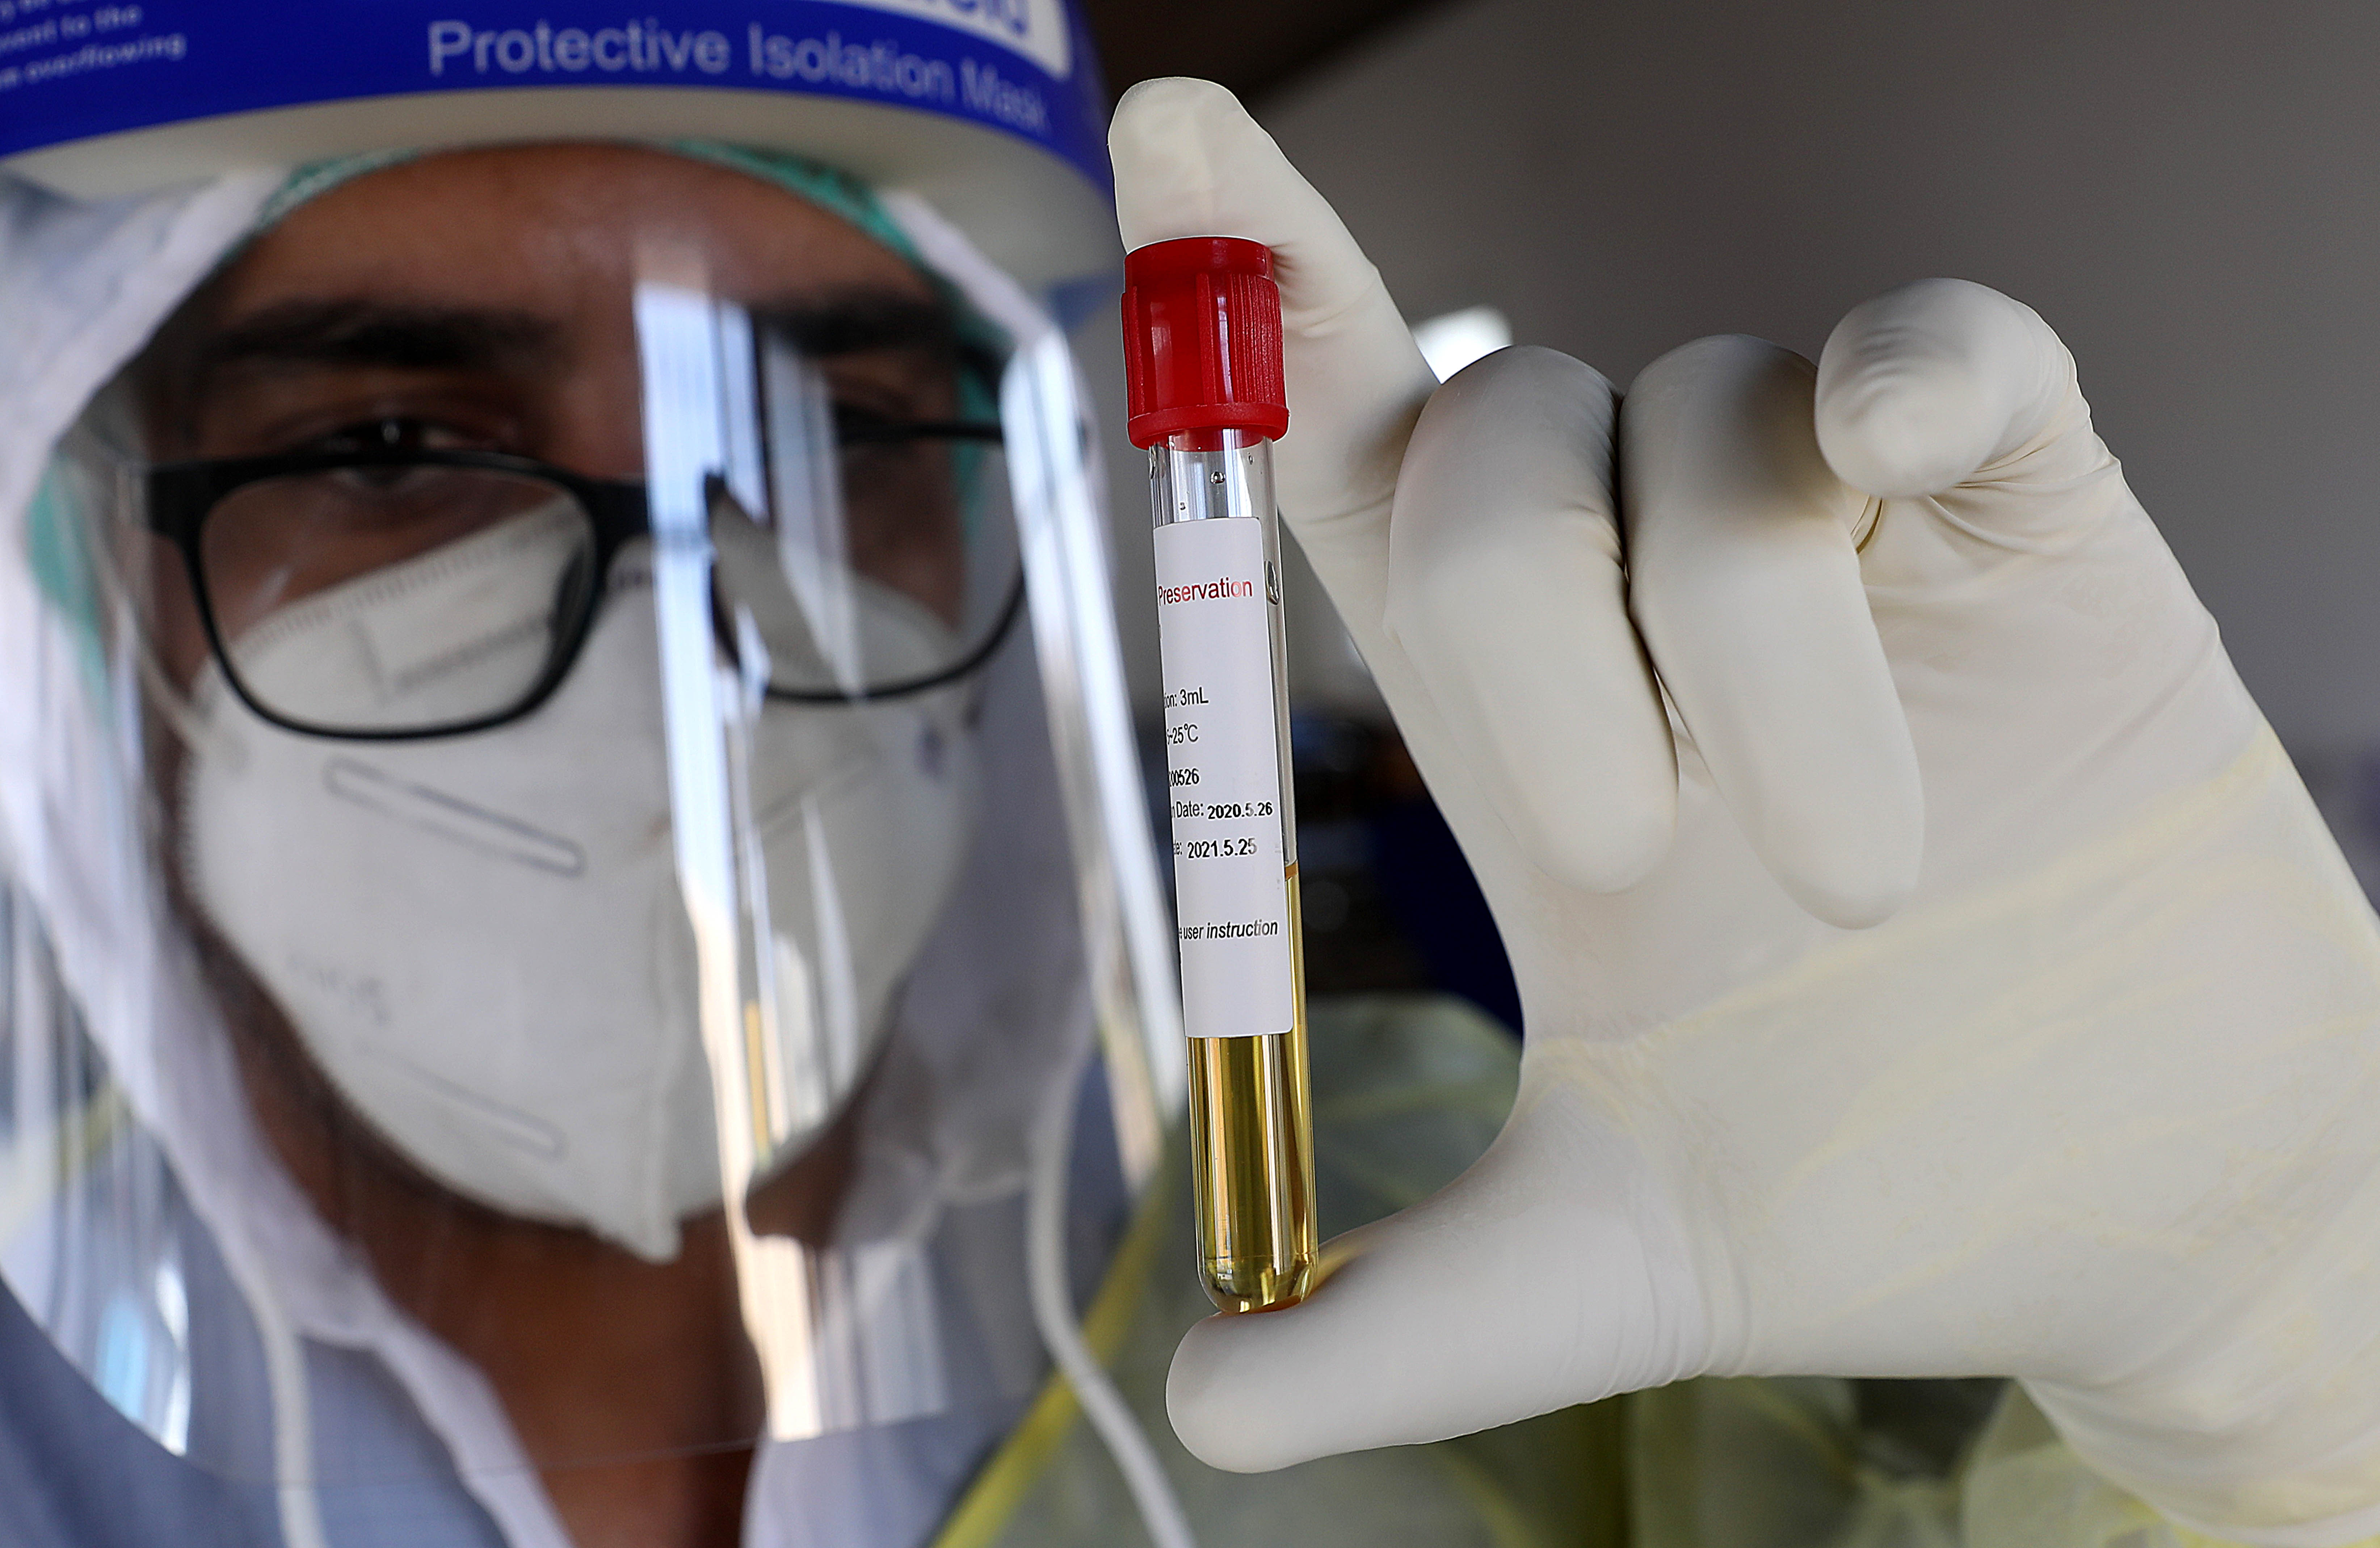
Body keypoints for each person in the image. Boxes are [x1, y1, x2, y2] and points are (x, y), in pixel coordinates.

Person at [1, 14, 2374, 1548]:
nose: (675, 644)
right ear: (83, 564)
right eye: (394, 443)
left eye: (838, 433)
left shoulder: (1447, 1202)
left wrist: (2291, 1360)